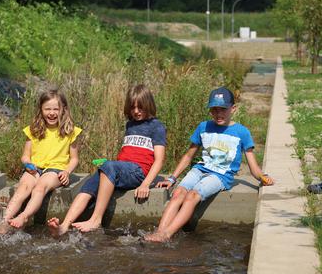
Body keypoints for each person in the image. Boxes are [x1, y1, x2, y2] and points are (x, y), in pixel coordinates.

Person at [144, 86, 274, 242]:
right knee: (178, 193)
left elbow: (252, 165)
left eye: (223, 109)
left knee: (192, 195)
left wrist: (262, 177)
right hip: (200, 169)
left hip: (220, 175)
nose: (218, 114)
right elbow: (188, 156)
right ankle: (160, 231)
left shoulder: (242, 132)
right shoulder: (203, 127)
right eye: (214, 110)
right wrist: (171, 178)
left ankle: (166, 235)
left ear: (233, 109)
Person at [47, 84, 166, 237]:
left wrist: (145, 184)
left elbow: (159, 160)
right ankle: (64, 225)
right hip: (122, 170)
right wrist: (111, 167)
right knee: (91, 181)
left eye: (140, 107)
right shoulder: (130, 125)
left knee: (109, 166)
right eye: (133, 107)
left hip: (138, 172)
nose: (136, 111)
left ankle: (96, 220)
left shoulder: (156, 126)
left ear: (149, 105)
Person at [0, 89, 82, 234]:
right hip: (35, 168)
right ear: (41, 110)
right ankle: (5, 220)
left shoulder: (70, 131)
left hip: (56, 169)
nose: (52, 113)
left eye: (56, 109)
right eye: (47, 109)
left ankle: (24, 216)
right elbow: (25, 156)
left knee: (39, 187)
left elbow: (74, 159)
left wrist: (67, 172)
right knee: (23, 187)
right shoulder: (34, 129)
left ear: (63, 110)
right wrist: (27, 164)